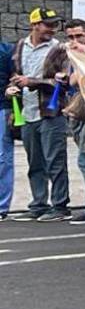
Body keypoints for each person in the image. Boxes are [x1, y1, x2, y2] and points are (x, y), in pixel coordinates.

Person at [8, 8, 71, 221]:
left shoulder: (59, 49)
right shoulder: (19, 46)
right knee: (35, 163)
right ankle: (39, 204)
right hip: (26, 112)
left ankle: (60, 206)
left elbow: (62, 83)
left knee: (55, 161)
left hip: (51, 112)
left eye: (54, 25)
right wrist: (12, 87)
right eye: (48, 24)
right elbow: (15, 74)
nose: (52, 29)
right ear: (34, 24)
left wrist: (32, 82)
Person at [62, 18, 85, 225]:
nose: (74, 41)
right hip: (77, 114)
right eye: (70, 37)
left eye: (79, 36)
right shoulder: (69, 56)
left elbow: (76, 79)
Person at [0, 36, 14, 220]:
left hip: (2, 108)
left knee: (2, 158)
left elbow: (15, 76)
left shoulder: (6, 51)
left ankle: (1, 206)